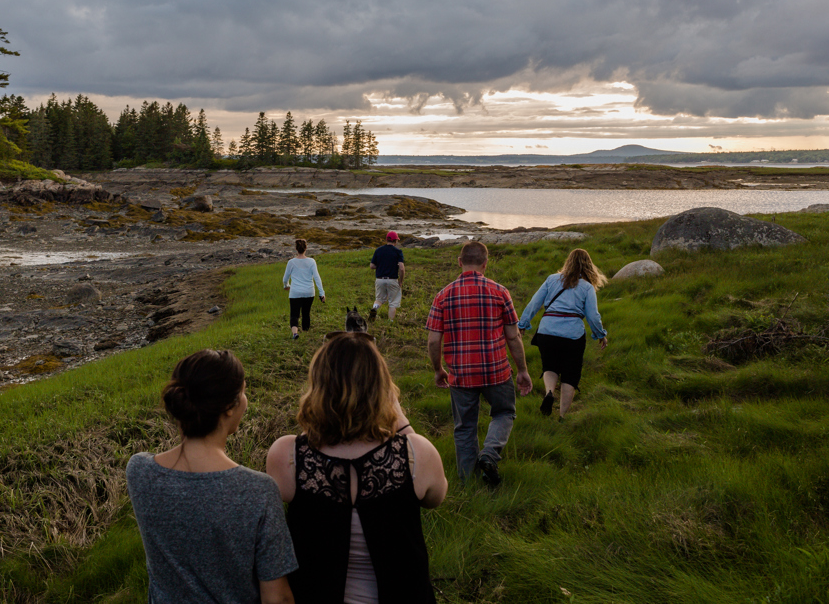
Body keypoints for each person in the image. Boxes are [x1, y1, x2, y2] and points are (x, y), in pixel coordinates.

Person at [266, 332, 448, 604]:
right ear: (383, 389)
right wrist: (401, 420)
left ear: (317, 386)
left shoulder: (287, 454)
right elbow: (436, 497)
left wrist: (322, 417)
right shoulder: (416, 453)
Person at [126, 350, 298, 604]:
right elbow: (277, 598)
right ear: (229, 407)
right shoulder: (258, 491)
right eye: (243, 392)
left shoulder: (140, 471)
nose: (245, 399)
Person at [426, 241, 533, 486]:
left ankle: (468, 482)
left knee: (464, 427)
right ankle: (489, 454)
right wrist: (523, 370)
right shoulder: (500, 292)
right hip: (496, 371)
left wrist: (438, 370)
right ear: (486, 264)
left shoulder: (443, 295)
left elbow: (433, 341)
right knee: (504, 412)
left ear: (459, 262)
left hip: (461, 374)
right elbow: (513, 336)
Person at [517, 248, 608, 421]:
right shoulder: (587, 287)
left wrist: (522, 324)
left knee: (549, 366)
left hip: (547, 331)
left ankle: (550, 393)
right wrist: (600, 334)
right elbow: (593, 316)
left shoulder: (551, 279)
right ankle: (562, 417)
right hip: (572, 336)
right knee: (570, 375)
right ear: (588, 266)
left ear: (568, 262)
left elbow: (534, 303)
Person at [283, 238, 326, 339]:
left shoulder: (291, 262)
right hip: (309, 292)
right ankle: (306, 333)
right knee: (306, 313)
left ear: (296, 249)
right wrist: (322, 293)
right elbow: (317, 278)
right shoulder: (311, 261)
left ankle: (295, 333)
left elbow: (285, 278)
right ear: (306, 248)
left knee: (294, 314)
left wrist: (286, 286)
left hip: (295, 292)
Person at [368, 231, 405, 322]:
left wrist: (381, 266)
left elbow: (372, 266)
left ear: (386, 239)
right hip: (392, 280)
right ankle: (390, 322)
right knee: (393, 302)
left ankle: (375, 308)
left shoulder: (378, 250)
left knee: (379, 299)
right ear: (395, 241)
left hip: (380, 279)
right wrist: (400, 281)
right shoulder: (398, 251)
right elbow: (401, 268)